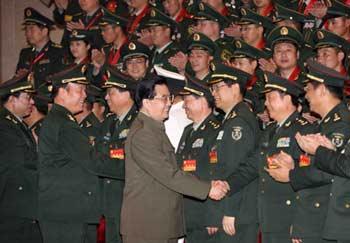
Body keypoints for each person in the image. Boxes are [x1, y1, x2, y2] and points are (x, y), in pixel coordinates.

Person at [120, 76, 229, 243]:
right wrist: (208, 189)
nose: (170, 103)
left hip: (160, 222)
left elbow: (176, 168)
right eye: (164, 98)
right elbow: (168, 174)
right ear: (147, 102)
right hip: (147, 226)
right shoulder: (143, 134)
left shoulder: (154, 129)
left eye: (170, 97)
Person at [219, 72, 312, 243]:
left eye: (271, 98)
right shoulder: (269, 131)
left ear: (287, 99)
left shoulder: (304, 131)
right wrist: (227, 184)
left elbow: (308, 181)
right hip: (268, 216)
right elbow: (252, 166)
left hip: (289, 218)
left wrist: (300, 222)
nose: (266, 103)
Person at [266, 60, 350, 243]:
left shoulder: (340, 123)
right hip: (315, 217)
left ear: (321, 90)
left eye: (309, 89)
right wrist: (293, 164)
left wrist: (291, 174)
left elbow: (330, 171)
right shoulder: (325, 123)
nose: (306, 95)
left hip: (325, 219)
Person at [38, 64, 123, 243]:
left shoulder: (58, 119)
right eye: (80, 90)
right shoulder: (63, 123)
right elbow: (92, 161)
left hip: (65, 211)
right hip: (67, 214)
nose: (85, 96)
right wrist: (132, 168)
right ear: (62, 92)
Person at [207, 63, 260, 243]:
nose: (213, 93)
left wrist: (231, 211)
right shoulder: (231, 119)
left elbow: (238, 169)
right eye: (212, 88)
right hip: (231, 207)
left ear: (235, 87)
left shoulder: (239, 122)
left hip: (238, 211)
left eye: (218, 87)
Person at [176, 75, 221, 243]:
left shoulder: (215, 130)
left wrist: (213, 215)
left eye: (187, 101)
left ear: (202, 101)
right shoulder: (188, 130)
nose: (184, 106)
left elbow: (217, 173)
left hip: (204, 213)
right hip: (188, 210)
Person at [97, 67, 139, 243]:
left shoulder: (139, 122)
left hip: (130, 204)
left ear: (126, 94)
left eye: (111, 93)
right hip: (109, 203)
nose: (106, 97)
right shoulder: (108, 122)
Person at [0, 73, 42, 243]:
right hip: (13, 211)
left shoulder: (16, 124)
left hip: (20, 206)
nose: (32, 102)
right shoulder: (5, 127)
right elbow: (20, 164)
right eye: (27, 97)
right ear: (12, 100)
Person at [16, 7, 65, 88]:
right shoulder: (25, 53)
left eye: (31, 29)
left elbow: (57, 82)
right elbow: (17, 80)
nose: (27, 33)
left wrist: (30, 78)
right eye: (26, 29)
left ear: (44, 31)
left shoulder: (58, 52)